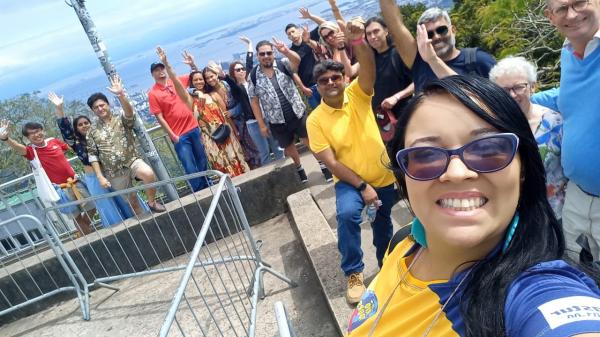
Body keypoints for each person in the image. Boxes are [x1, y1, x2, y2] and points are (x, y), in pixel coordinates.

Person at [346, 75, 600, 336]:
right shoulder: (404, 243)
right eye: (425, 155)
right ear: (404, 176)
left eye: (489, 149)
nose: (457, 173)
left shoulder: (535, 291)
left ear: (523, 166)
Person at [307, 19, 398, 304]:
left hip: (384, 176)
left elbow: (369, 70)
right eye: (324, 81)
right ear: (317, 87)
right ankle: (354, 273)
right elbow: (331, 163)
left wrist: (358, 42)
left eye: (336, 78)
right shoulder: (315, 120)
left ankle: (386, 267)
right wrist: (362, 187)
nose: (331, 83)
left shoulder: (357, 94)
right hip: (350, 182)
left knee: (383, 226)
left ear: (344, 78)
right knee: (347, 216)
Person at [543, 0, 600, 260]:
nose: (573, 14)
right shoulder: (568, 53)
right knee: (581, 275)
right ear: (551, 17)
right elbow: (566, 96)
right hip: (577, 196)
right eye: (562, 9)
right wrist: (520, 97)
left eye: (579, 2)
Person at [489, 56, 567, 220]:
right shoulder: (491, 127)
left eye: (519, 87)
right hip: (509, 216)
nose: (512, 95)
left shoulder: (555, 123)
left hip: (554, 214)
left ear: (532, 87)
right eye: (504, 90)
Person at [49, 92, 139, 227]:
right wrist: (59, 109)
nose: (84, 125)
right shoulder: (76, 142)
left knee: (124, 198)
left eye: (86, 123)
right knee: (105, 205)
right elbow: (65, 129)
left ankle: (137, 221)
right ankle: (118, 231)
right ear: (76, 128)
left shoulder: (98, 135)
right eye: (80, 124)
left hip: (110, 173)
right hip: (93, 177)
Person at [158, 47, 249, 177]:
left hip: (227, 134)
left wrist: (236, 133)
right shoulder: (191, 100)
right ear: (191, 83)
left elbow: (226, 117)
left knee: (238, 161)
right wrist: (167, 65)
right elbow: (177, 84)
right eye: (195, 80)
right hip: (210, 139)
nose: (199, 81)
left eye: (201, 79)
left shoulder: (213, 95)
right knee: (222, 168)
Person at [0, 120, 95, 235]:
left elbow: (72, 147)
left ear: (43, 131)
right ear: (27, 137)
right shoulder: (31, 151)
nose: (36, 134)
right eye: (31, 133)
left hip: (75, 181)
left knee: (92, 207)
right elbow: (18, 147)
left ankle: (83, 233)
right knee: (76, 217)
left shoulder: (53, 141)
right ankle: (89, 237)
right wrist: (6, 139)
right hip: (60, 189)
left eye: (38, 131)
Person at [86, 76, 166, 213]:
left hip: (132, 161)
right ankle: (146, 224)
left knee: (148, 174)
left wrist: (120, 95)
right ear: (92, 111)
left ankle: (152, 202)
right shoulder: (92, 131)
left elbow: (130, 114)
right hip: (114, 172)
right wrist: (100, 176)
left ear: (108, 104)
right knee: (132, 201)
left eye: (102, 105)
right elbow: (93, 155)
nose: (100, 109)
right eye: (96, 107)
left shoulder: (120, 119)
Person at [379, 0, 496, 92]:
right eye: (429, 34)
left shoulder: (479, 60)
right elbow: (394, 25)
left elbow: (505, 102)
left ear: (453, 30)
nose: (436, 37)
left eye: (442, 30)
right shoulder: (419, 63)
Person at [247, 39, 317, 183]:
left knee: (309, 140)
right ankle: (299, 169)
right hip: (276, 119)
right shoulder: (253, 76)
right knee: (289, 147)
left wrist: (286, 51)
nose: (266, 56)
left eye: (269, 53)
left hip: (296, 112)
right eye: (262, 54)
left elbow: (296, 61)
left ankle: (323, 164)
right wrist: (261, 124)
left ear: (273, 53)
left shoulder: (282, 63)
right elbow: (254, 101)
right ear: (257, 56)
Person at [148, 55, 209, 192]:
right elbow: (159, 117)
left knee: (202, 158)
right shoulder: (153, 93)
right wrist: (172, 135)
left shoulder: (175, 81)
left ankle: (207, 182)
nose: (160, 71)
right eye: (156, 70)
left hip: (193, 126)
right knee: (189, 164)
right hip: (179, 134)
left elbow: (196, 79)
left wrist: (192, 65)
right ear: (153, 74)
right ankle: (200, 190)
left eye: (161, 68)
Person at [365, 16, 414, 142]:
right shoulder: (370, 60)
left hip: (406, 115)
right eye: (369, 34)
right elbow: (348, 71)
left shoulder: (399, 53)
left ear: (386, 31)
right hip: (383, 120)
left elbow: (418, 80)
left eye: (376, 31)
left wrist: (397, 97)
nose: (372, 36)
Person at [203, 63, 261, 169]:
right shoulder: (210, 93)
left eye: (212, 76)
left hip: (243, 119)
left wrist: (233, 111)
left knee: (253, 147)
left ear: (216, 75)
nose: (210, 80)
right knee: (243, 151)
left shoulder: (227, 85)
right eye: (207, 78)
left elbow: (242, 100)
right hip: (229, 124)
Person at [285, 23, 322, 109]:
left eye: (293, 31)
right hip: (310, 88)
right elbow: (294, 72)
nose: (292, 35)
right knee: (319, 114)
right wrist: (303, 88)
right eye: (289, 34)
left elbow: (323, 24)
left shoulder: (309, 37)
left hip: (322, 81)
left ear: (298, 31)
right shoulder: (291, 52)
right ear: (288, 38)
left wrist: (310, 16)